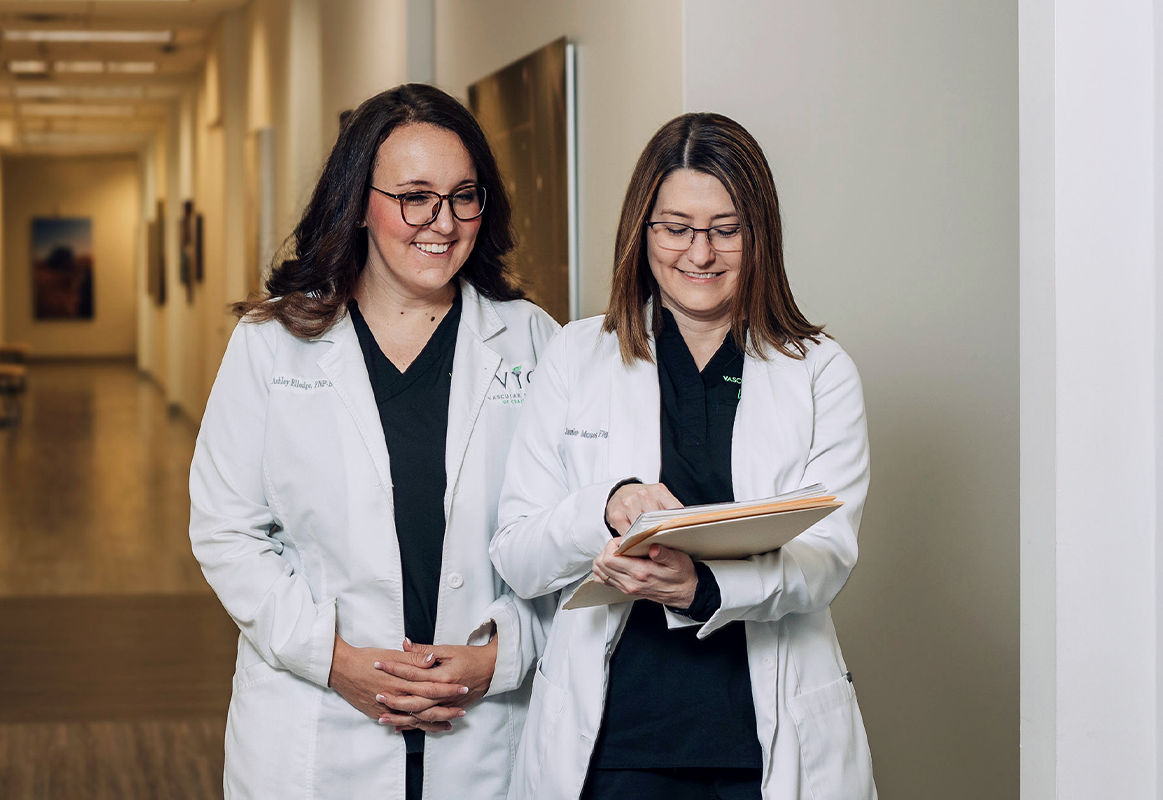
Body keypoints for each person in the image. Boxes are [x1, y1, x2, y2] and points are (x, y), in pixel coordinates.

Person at [491, 112, 877, 800]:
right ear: (641, 232)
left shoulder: (819, 370)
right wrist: (605, 511)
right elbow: (518, 555)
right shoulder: (576, 356)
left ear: (759, 234)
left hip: (761, 747)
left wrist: (703, 589)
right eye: (675, 228)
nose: (700, 254)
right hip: (614, 747)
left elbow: (826, 559)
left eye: (726, 229)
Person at [189, 84, 559, 800]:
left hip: (486, 730)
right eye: (414, 196)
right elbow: (226, 530)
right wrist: (332, 661)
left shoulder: (533, 341)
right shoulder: (273, 344)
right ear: (360, 201)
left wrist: (500, 657)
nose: (442, 223)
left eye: (462, 196)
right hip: (316, 723)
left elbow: (564, 540)